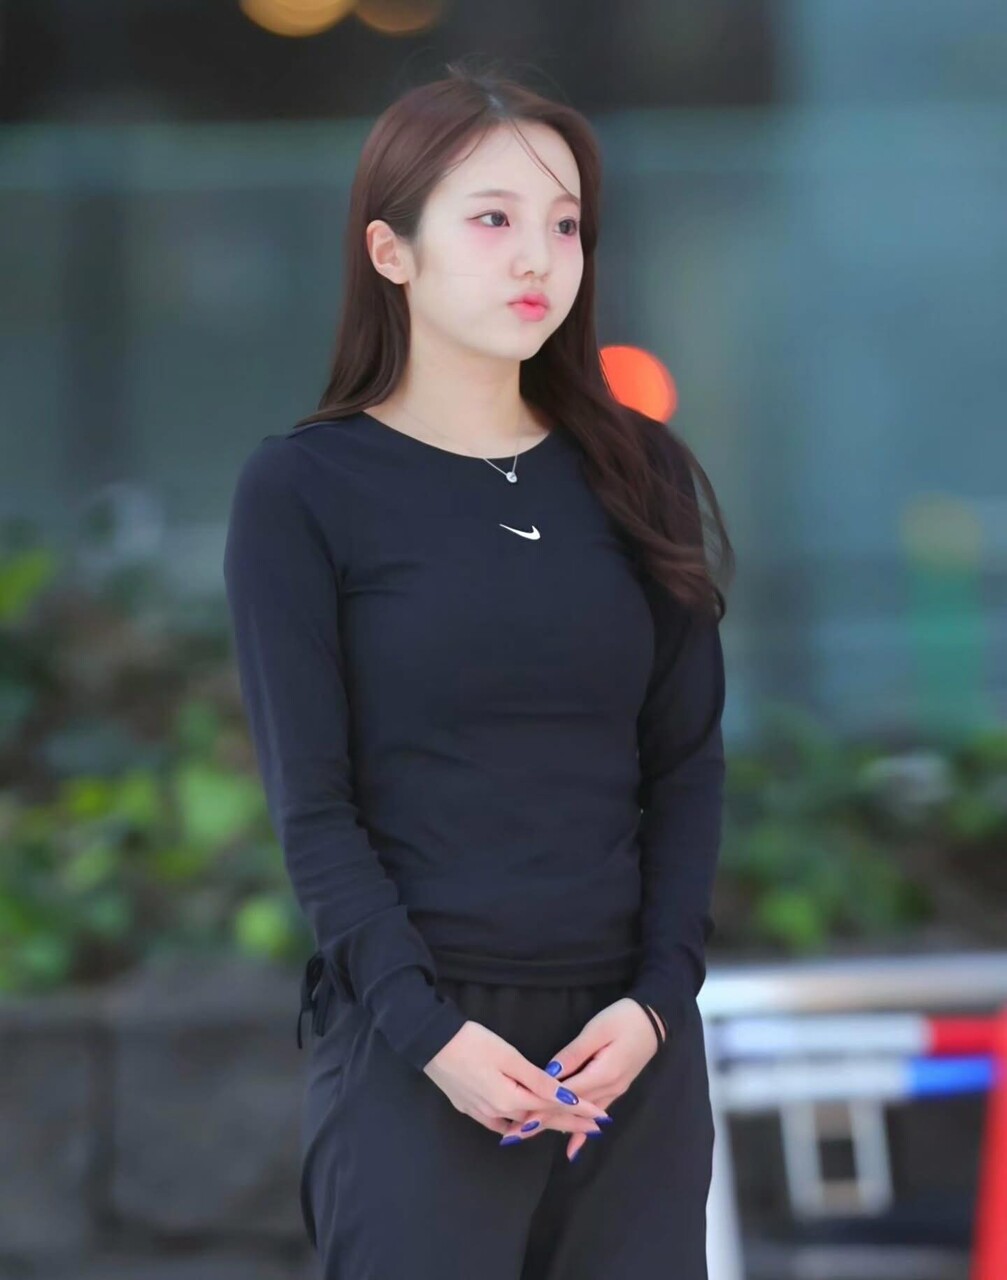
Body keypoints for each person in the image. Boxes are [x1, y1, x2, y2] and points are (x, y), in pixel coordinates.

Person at [223, 57, 734, 1280]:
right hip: (418, 1052)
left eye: (563, 224)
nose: (537, 258)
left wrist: (657, 1001)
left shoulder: (640, 472)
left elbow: (684, 764)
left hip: (626, 1061)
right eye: (493, 220)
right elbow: (314, 805)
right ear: (390, 250)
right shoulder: (305, 490)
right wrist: (430, 1035)